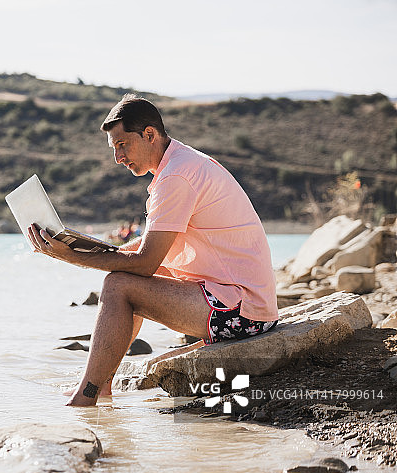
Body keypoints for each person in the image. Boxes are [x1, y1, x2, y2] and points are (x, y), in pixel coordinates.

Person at [27, 94, 279, 407]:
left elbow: (145, 263)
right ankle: (101, 384)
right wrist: (85, 248)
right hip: (243, 302)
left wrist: (73, 257)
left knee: (119, 285)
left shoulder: (176, 176)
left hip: (243, 313)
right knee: (124, 275)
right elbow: (147, 248)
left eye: (122, 145)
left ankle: (86, 397)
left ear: (149, 134)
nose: (118, 157)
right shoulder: (180, 164)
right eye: (114, 148)